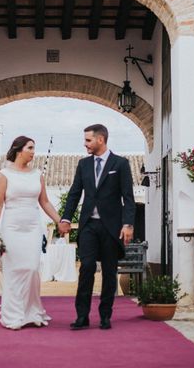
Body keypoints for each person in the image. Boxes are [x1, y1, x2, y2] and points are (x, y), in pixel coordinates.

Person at [59, 124, 135, 330]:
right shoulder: (83, 165)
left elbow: (128, 198)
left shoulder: (120, 164)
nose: (85, 144)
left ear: (100, 139)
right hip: (88, 226)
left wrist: (128, 224)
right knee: (87, 267)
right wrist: (66, 218)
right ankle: (82, 316)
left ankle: (105, 316)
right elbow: (75, 193)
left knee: (110, 272)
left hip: (112, 227)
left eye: (88, 140)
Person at [0, 136, 61, 329]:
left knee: (31, 269)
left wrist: (59, 220)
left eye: (34, 148)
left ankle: (32, 312)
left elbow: (44, 201)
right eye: (30, 148)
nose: (33, 151)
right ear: (19, 150)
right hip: (11, 227)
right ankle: (13, 315)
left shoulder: (37, 174)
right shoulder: (4, 174)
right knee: (14, 271)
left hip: (32, 228)